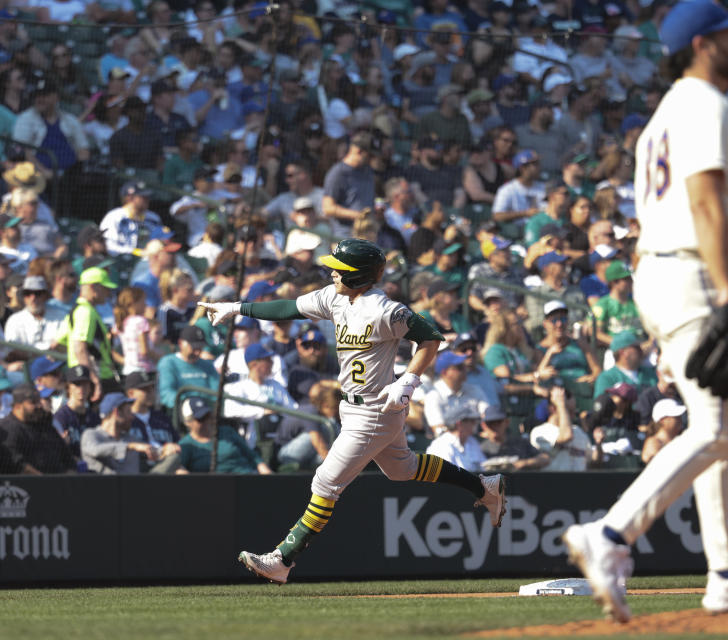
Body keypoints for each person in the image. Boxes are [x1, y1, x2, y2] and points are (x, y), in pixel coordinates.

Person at [561, 3, 728, 623]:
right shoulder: (702, 104)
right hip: (693, 271)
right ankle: (611, 535)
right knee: (718, 431)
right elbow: (703, 199)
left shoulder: (665, 115)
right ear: (702, 43)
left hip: (667, 271)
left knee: (719, 429)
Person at [198, 238, 506, 584]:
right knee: (402, 470)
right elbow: (289, 309)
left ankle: (283, 559)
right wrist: (237, 308)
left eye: (339, 269)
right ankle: (483, 487)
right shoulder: (335, 297)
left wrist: (409, 379)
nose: (331, 272)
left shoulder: (384, 308)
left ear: (358, 276)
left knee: (326, 482)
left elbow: (431, 338)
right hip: (352, 406)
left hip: (377, 409)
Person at [223, 343, 300, 450]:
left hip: (282, 436)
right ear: (254, 364)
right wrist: (262, 411)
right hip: (255, 441)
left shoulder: (275, 384)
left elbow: (294, 409)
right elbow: (228, 410)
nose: (272, 363)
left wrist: (277, 411)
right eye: (268, 360)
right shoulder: (240, 387)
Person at [60, 267, 120, 402]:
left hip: (83, 376)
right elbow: (79, 347)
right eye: (105, 288)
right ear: (94, 287)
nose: (108, 292)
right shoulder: (85, 312)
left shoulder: (76, 310)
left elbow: (58, 342)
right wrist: (94, 380)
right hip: (99, 377)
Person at [178, 396, 272, 475]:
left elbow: (252, 456)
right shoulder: (186, 445)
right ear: (188, 422)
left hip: (246, 477)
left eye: (208, 415)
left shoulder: (227, 431)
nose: (207, 421)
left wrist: (264, 470)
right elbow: (179, 469)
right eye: (201, 419)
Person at [81, 392, 168, 474]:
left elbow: (153, 451)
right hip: (103, 487)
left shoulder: (130, 439)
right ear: (117, 412)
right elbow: (95, 450)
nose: (132, 417)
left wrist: (165, 450)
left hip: (136, 488)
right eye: (129, 412)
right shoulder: (91, 434)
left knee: (173, 459)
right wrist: (129, 447)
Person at [0, 385, 74, 474]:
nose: (39, 406)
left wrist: (71, 476)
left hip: (62, 481)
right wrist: (44, 480)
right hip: (30, 484)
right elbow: (18, 464)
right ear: (17, 406)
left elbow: (66, 456)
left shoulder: (44, 425)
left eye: (39, 401)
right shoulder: (8, 428)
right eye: (33, 402)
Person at [422, 350, 489, 436]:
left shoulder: (474, 390)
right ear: (445, 372)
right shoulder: (433, 395)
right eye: (459, 367)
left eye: (464, 366)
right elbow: (438, 429)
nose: (465, 369)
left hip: (475, 440)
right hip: (448, 444)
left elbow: (488, 415)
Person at [529, 385, 595, 471]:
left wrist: (599, 444)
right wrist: (561, 404)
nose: (572, 416)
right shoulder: (540, 432)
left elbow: (592, 462)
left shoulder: (579, 432)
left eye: (574, 411)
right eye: (569, 411)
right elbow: (566, 436)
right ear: (552, 409)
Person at [156, 325, 219, 410]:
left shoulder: (207, 365)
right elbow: (166, 393)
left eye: (200, 348)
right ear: (180, 343)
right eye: (193, 348)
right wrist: (190, 405)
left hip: (206, 411)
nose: (197, 352)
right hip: (180, 413)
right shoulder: (168, 363)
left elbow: (216, 392)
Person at [477, 404, 549, 472]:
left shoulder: (521, 443)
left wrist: (524, 463)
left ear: (507, 422)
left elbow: (545, 459)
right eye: (490, 423)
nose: (494, 426)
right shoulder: (480, 449)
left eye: (498, 422)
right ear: (484, 425)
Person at [4, 274, 66, 350]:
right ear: (23, 297)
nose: (33, 298)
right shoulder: (14, 321)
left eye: (37, 293)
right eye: (27, 293)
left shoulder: (61, 316)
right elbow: (11, 350)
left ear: (45, 295)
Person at [425, 402, 486, 471]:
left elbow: (484, 468)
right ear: (459, 424)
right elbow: (447, 477)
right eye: (471, 421)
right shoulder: (441, 446)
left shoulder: (472, 442)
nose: (475, 423)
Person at [640, 398, 686, 464]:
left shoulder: (681, 438)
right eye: (675, 416)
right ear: (662, 420)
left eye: (679, 416)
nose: (679, 419)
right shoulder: (653, 443)